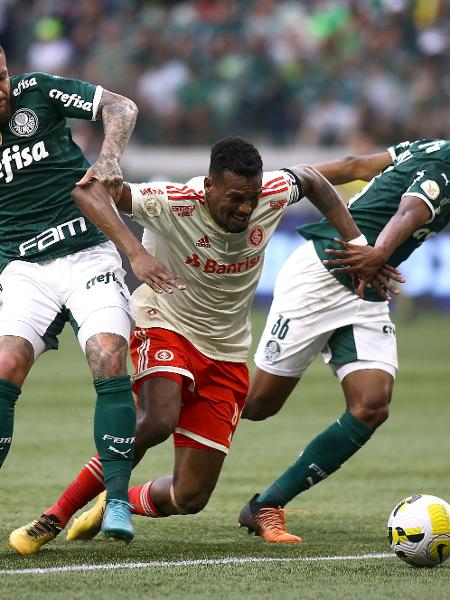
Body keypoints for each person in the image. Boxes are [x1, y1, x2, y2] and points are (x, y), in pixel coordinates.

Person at [9, 136, 370, 554]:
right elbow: (87, 190)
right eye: (234, 198)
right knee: (157, 420)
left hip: (227, 352)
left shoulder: (270, 193)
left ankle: (117, 499)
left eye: (250, 199)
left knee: (190, 497)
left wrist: (359, 245)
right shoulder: (171, 201)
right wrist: (135, 255)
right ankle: (53, 517)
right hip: (165, 324)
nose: (244, 208)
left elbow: (313, 180)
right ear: (209, 187)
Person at [0, 45, 183, 556]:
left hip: (87, 252)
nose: (3, 90)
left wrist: (107, 158)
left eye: (2, 76)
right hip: (22, 268)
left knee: (107, 354)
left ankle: (119, 501)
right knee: (5, 364)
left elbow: (121, 107)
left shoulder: (36, 91)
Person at [238, 138, 450, 543]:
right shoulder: (446, 163)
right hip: (326, 270)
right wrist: (379, 251)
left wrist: (275, 183)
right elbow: (412, 209)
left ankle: (267, 504)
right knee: (257, 404)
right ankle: (153, 418)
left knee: (371, 404)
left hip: (365, 286)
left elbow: (355, 166)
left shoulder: (428, 146)